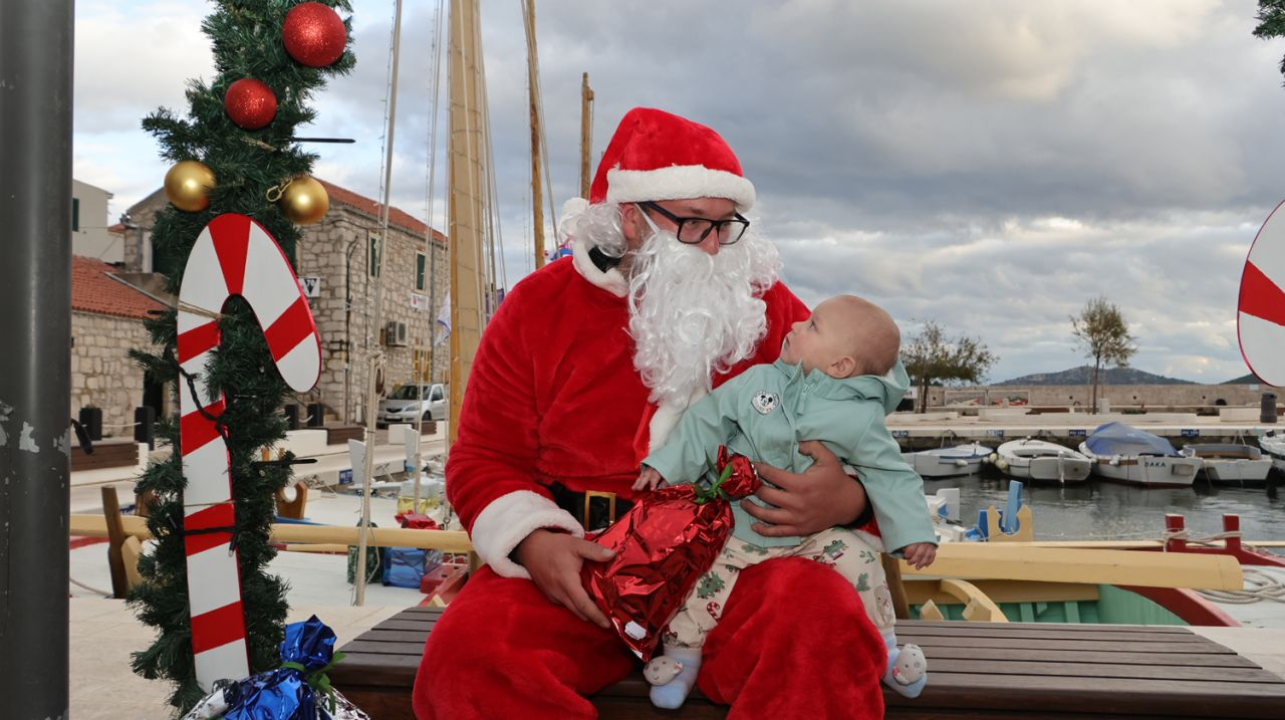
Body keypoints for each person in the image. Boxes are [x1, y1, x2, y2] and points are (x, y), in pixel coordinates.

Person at [414, 107, 890, 719]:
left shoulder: (770, 313)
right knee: (470, 659)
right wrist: (533, 540)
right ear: (632, 218)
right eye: (695, 224)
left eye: (727, 225)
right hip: (587, 564)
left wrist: (850, 497)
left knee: (820, 624)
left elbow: (860, 415)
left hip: (742, 564)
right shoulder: (538, 309)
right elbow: (485, 457)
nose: (716, 246)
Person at [634, 294, 937, 708]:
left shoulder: (861, 418)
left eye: (811, 326)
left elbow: (890, 474)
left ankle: (885, 649)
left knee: (861, 562)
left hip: (813, 539)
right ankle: (682, 658)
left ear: (841, 365)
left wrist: (914, 532)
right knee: (702, 576)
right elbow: (707, 420)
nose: (795, 327)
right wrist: (667, 465)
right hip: (738, 527)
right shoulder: (759, 382)